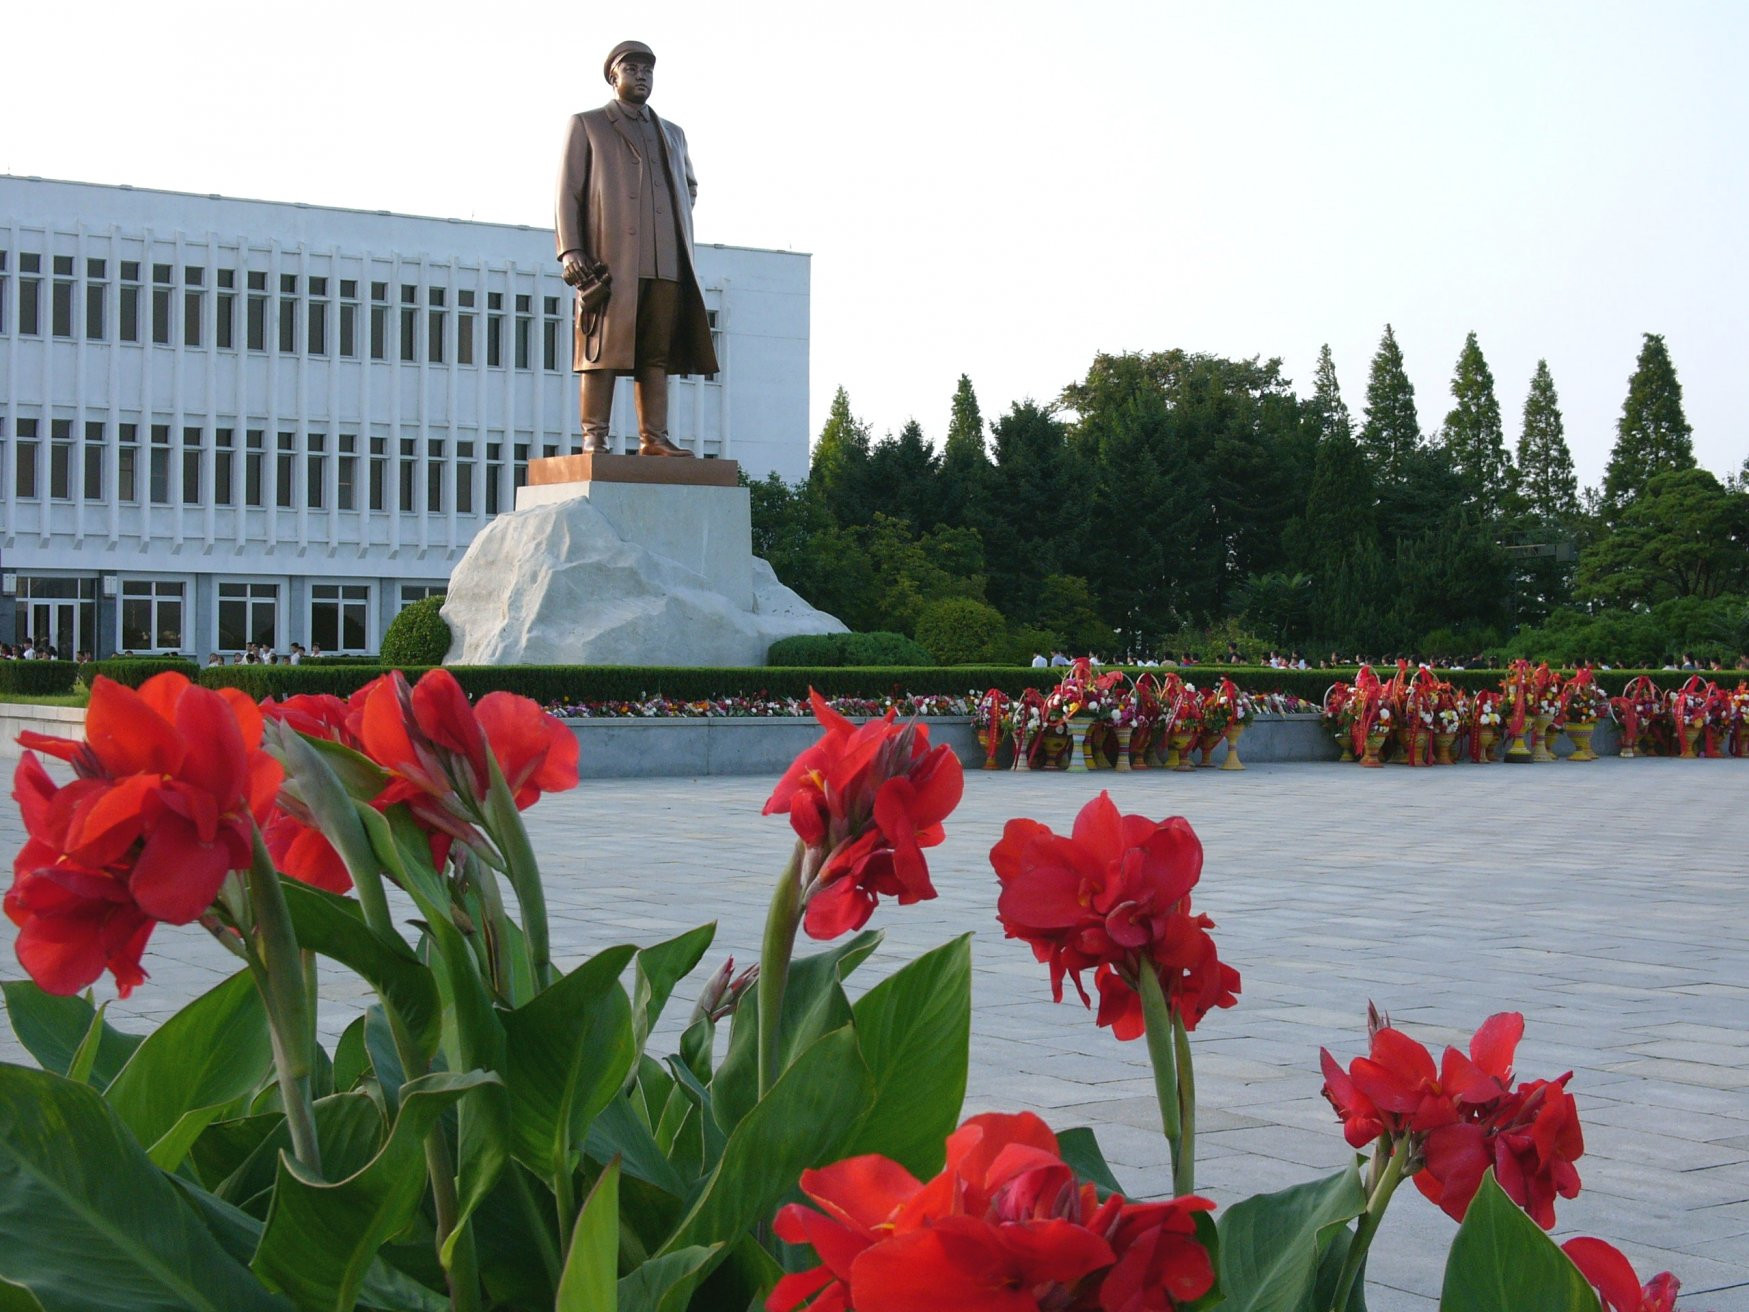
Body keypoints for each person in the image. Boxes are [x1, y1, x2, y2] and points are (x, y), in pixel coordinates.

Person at [555, 40, 719, 457]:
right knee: (602, 350)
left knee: (656, 353)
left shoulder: (673, 133)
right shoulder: (589, 124)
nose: (642, 75)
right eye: (632, 68)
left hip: (666, 261)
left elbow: (690, 186)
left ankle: (654, 438)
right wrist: (571, 250)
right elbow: (568, 192)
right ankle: (595, 436)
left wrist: (665, 217)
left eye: (647, 69)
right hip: (610, 262)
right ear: (614, 77)